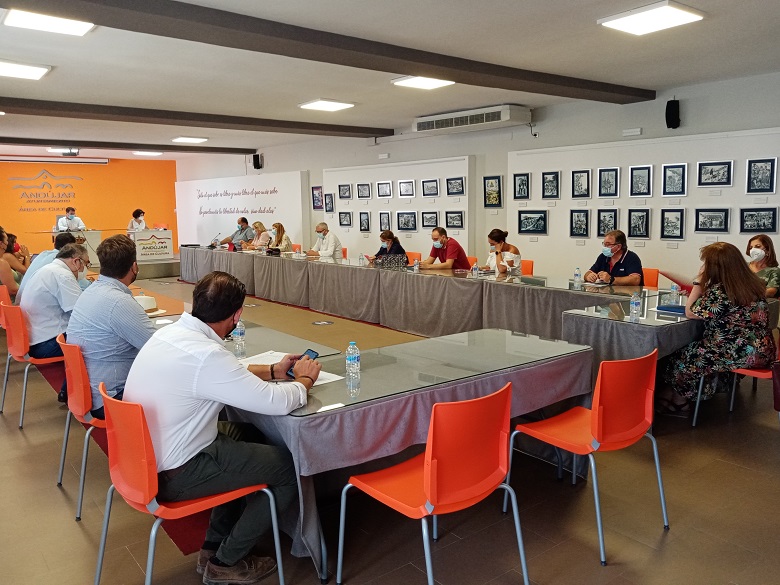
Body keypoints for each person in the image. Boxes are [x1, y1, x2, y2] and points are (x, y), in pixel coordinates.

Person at [123, 271, 321, 583]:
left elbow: (227, 372)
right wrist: (305, 380)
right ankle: (226, 561)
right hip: (178, 473)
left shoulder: (172, 335)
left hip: (143, 463)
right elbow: (276, 402)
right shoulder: (207, 355)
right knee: (288, 467)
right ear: (237, 315)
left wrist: (273, 370)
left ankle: (213, 544)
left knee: (250, 434)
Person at [659, 242, 775, 415]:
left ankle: (680, 400)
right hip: (762, 350)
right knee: (697, 350)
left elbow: (690, 312)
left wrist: (698, 282)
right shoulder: (751, 284)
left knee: (683, 355)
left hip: (740, 351)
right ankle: (680, 394)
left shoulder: (722, 291)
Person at [66, 235, 155, 419]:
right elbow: (157, 346)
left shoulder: (91, 291)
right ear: (134, 266)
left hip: (87, 392)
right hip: (110, 398)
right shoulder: (119, 302)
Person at [19, 243, 89, 402]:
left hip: (33, 338)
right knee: (93, 341)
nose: (85, 268)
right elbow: (81, 314)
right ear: (76, 261)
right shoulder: (63, 275)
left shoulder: (47, 269)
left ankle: (69, 390)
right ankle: (72, 393)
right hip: (43, 344)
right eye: (86, 263)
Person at [16, 233, 90, 304]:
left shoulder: (44, 254)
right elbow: (81, 285)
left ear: (55, 244)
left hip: (23, 302)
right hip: (33, 306)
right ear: (71, 248)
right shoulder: (62, 260)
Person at [745, 234, 779, 298]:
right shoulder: (744, 266)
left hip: (760, 302)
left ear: (768, 250)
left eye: (757, 246)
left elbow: (771, 292)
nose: (753, 250)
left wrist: (748, 295)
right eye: (751, 248)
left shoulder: (774, 271)